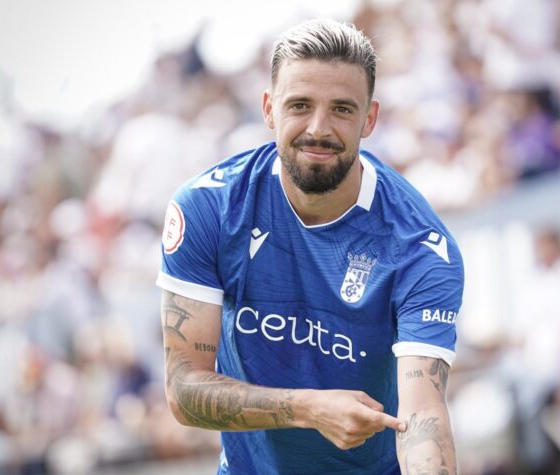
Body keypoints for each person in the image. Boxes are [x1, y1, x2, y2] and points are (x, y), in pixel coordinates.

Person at [156, 19, 464, 475]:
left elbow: (424, 416)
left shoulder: (419, 246)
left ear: (370, 119)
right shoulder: (208, 209)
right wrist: (309, 409)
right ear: (268, 109)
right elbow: (184, 388)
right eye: (299, 105)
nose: (318, 128)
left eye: (342, 109)